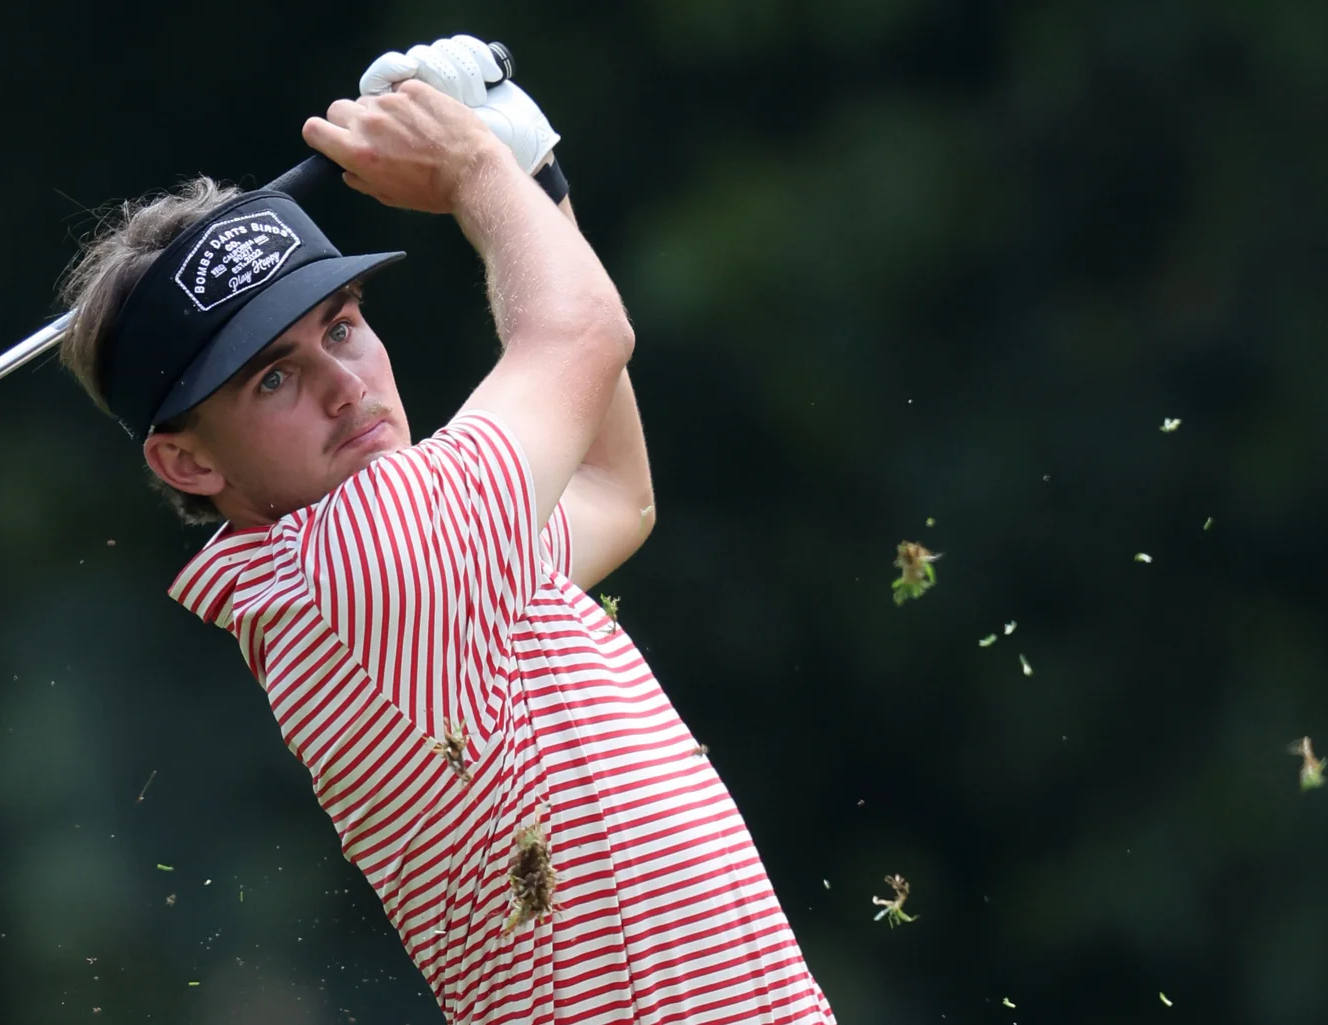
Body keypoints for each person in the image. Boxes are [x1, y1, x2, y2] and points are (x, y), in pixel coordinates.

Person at [56, 34, 834, 1025]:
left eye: (341, 326)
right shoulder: (367, 555)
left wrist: (534, 182)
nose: (346, 384)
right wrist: (476, 168)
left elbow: (609, 488)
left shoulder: (412, 567)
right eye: (276, 377)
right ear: (190, 461)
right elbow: (584, 334)